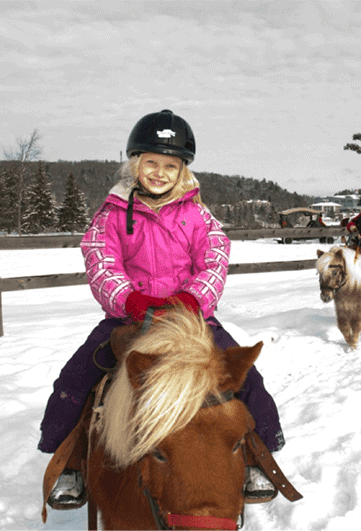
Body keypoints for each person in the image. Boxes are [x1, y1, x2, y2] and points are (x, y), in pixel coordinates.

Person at [39, 110, 284, 509]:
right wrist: (129, 299)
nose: (159, 172)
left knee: (242, 377)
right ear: (135, 163)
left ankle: (258, 456)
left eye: (170, 165)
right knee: (77, 377)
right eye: (151, 162)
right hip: (128, 316)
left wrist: (192, 299)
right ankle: (70, 462)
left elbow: (215, 258)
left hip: (191, 318)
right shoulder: (112, 213)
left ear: (182, 170)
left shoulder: (197, 214)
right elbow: (100, 260)